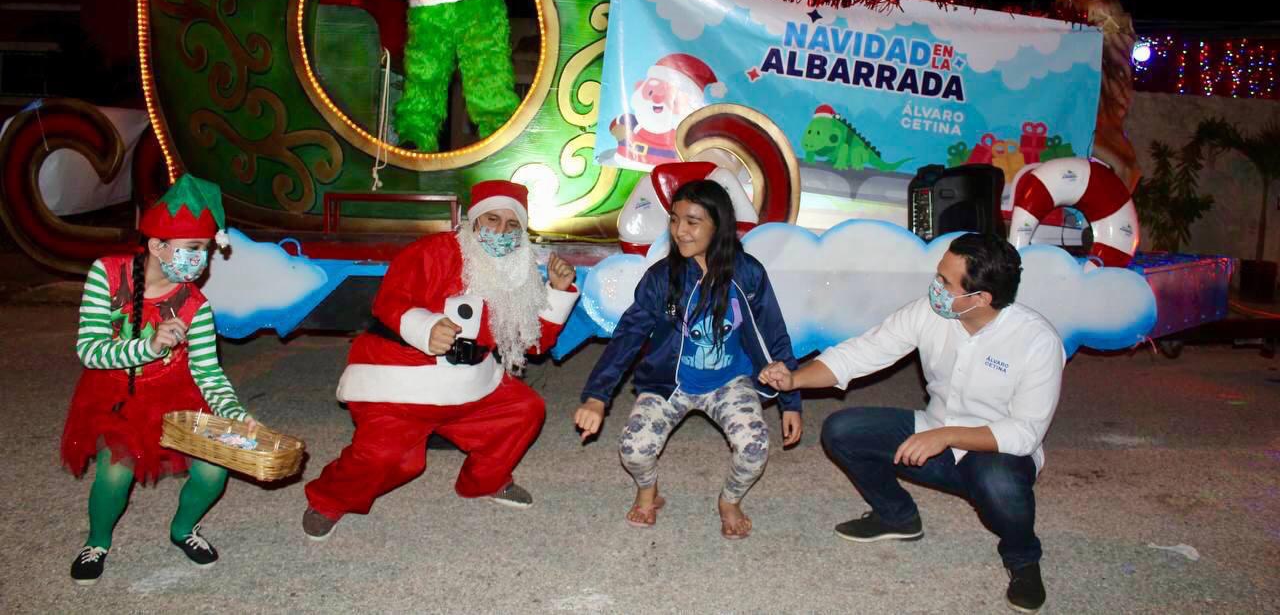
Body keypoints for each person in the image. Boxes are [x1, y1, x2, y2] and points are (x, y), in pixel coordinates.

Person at [759, 233, 1064, 613]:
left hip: (995, 452)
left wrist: (946, 436)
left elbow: (1025, 432)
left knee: (998, 483)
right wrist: (794, 378)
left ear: (980, 298)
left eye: (945, 282)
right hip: (931, 430)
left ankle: (1023, 559)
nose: (934, 287)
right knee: (842, 431)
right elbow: (863, 351)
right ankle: (897, 517)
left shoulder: (1037, 341)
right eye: (938, 276)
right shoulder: (929, 312)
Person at [303, 180, 578, 539]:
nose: (501, 232)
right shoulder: (432, 251)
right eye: (492, 219)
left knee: (524, 410)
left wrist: (557, 292)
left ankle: (484, 482)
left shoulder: (520, 270)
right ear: (473, 220)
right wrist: (426, 326)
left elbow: (532, 345)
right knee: (394, 460)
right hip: (400, 380)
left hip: (471, 383)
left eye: (513, 225)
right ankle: (329, 500)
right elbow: (388, 301)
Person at [575, 179, 802, 539]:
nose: (680, 231)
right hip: (670, 382)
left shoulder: (748, 273)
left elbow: (774, 334)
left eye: (693, 221)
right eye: (674, 219)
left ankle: (729, 502)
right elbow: (628, 337)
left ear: (719, 226)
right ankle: (649, 490)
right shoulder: (661, 278)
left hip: (731, 382)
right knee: (633, 449)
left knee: (754, 448)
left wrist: (791, 400)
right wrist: (597, 396)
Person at [61, 174, 254, 584]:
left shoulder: (197, 306)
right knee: (116, 473)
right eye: (192, 249)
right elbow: (89, 350)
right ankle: (97, 541)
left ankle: (184, 530)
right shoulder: (108, 274)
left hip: (176, 395)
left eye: (204, 251)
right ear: (156, 245)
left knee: (213, 471)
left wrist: (235, 413)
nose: (199, 261)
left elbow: (206, 370)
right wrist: (146, 349)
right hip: (117, 395)